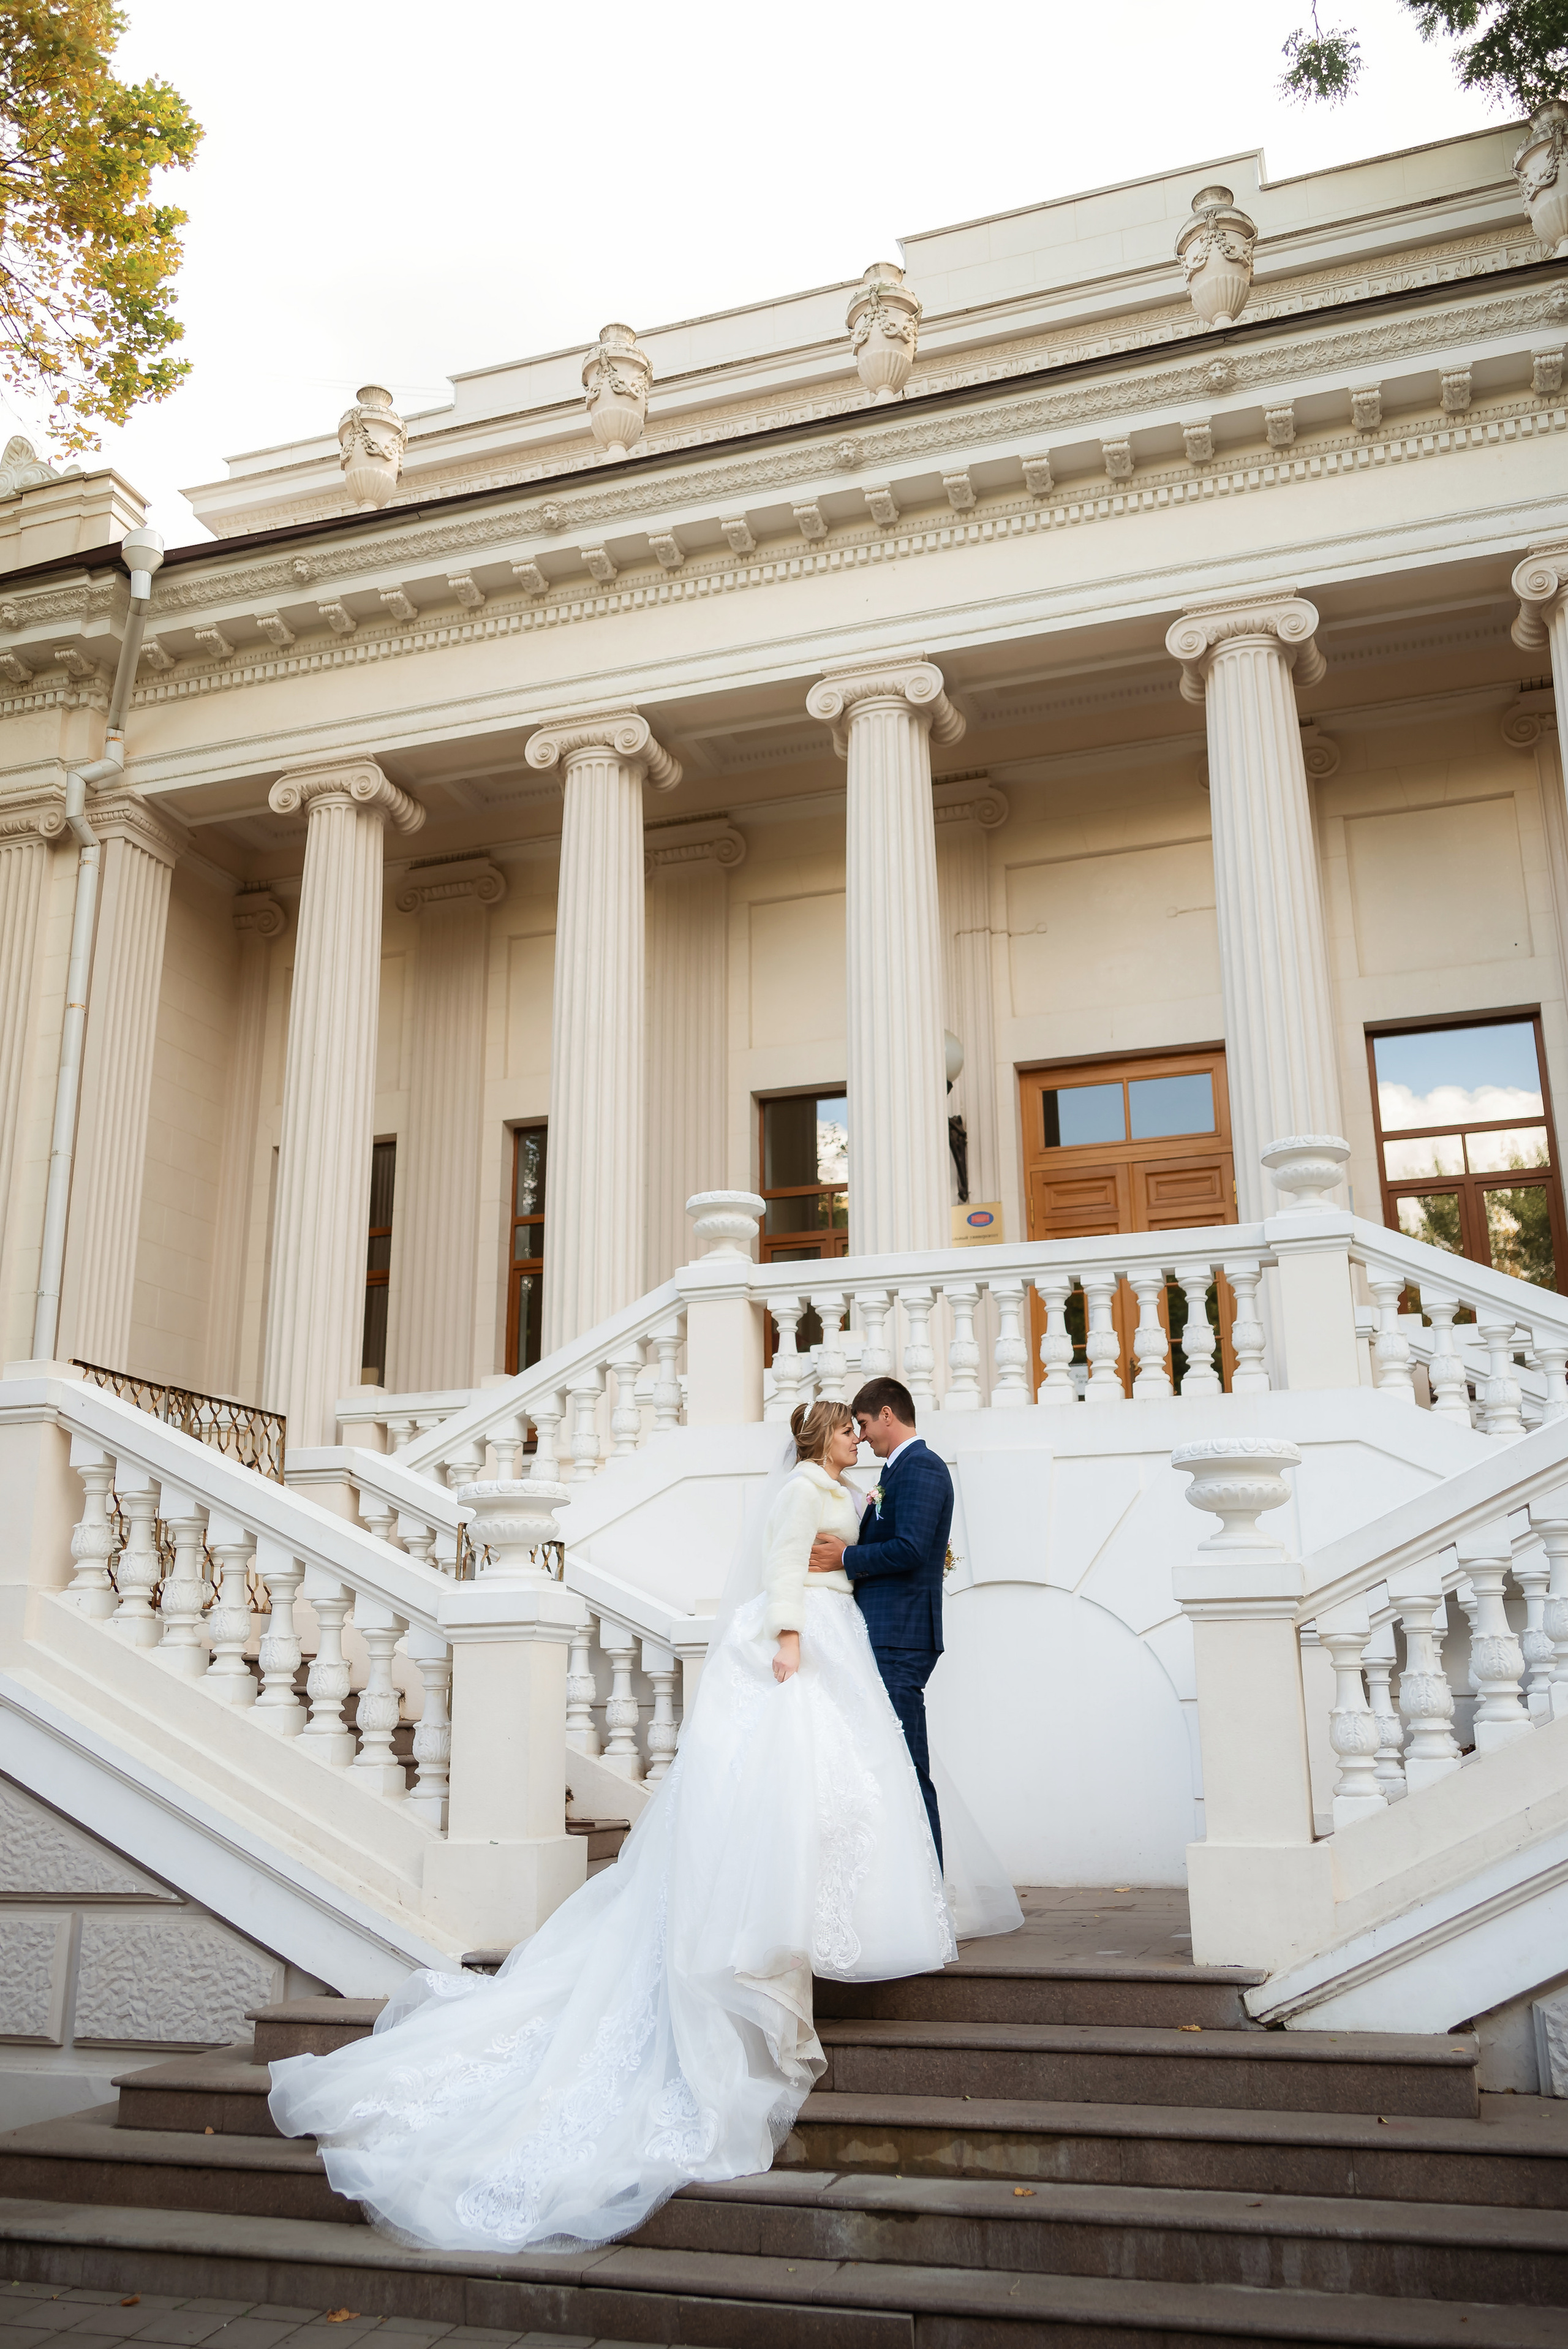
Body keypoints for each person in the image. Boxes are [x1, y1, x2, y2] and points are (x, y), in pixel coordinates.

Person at [266, 1398, 1017, 2258]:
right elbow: (783, 1565)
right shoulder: (802, 1490)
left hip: (837, 1629)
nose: (856, 1437)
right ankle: (769, 1924)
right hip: (803, 1633)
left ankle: (827, 1914)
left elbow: (865, 1554)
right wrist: (784, 1634)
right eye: (846, 1429)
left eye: (858, 1425)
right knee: (791, 1784)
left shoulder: (845, 1486)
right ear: (821, 1439)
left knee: (842, 1787)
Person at [808, 1376, 949, 1866]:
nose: (862, 1436)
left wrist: (847, 1556)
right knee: (886, 1764)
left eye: (864, 1424)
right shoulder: (896, 1473)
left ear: (888, 1414)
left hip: (901, 1637)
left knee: (908, 1765)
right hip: (886, 1635)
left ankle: (932, 1892)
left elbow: (910, 1549)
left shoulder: (922, 1468)